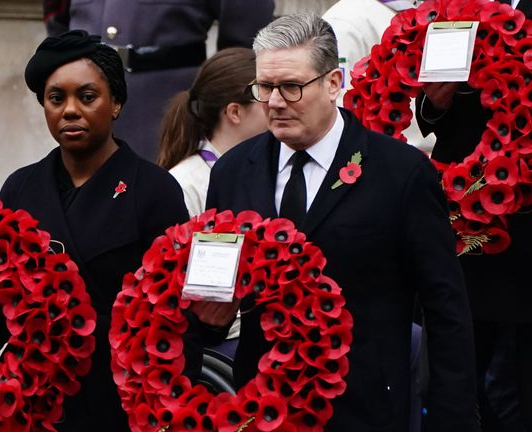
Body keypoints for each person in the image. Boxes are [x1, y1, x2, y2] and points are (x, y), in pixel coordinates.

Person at [198, 14, 478, 431]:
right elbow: (213, 289)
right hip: (265, 404)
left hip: (365, 403)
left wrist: (451, 417)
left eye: (291, 87)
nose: (274, 102)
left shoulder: (399, 173)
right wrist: (208, 317)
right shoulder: (233, 172)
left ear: (333, 83)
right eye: (265, 88)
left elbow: (445, 306)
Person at [0, 30, 192, 431]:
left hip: (122, 401)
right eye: (56, 99)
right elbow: (2, 327)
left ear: (116, 103)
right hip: (38, 399)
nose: (70, 110)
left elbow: (178, 318)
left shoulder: (154, 189)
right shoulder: (20, 187)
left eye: (87, 97)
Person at [416, 1, 532, 430]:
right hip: (469, 213)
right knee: (463, 365)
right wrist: (434, 104)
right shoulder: (452, 7)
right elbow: (427, 113)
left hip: (525, 224)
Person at [41, 0, 275, 162]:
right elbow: (57, 19)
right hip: (86, 95)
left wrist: (222, 93)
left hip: (164, 102)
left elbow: (245, 31)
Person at [157, 47, 268, 216]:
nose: (278, 104)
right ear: (235, 112)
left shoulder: (270, 166)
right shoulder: (185, 185)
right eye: (265, 96)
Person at [322, 0, 436, 154]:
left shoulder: (432, 8)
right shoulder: (345, 22)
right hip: (390, 160)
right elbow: (337, 110)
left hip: (439, 156)